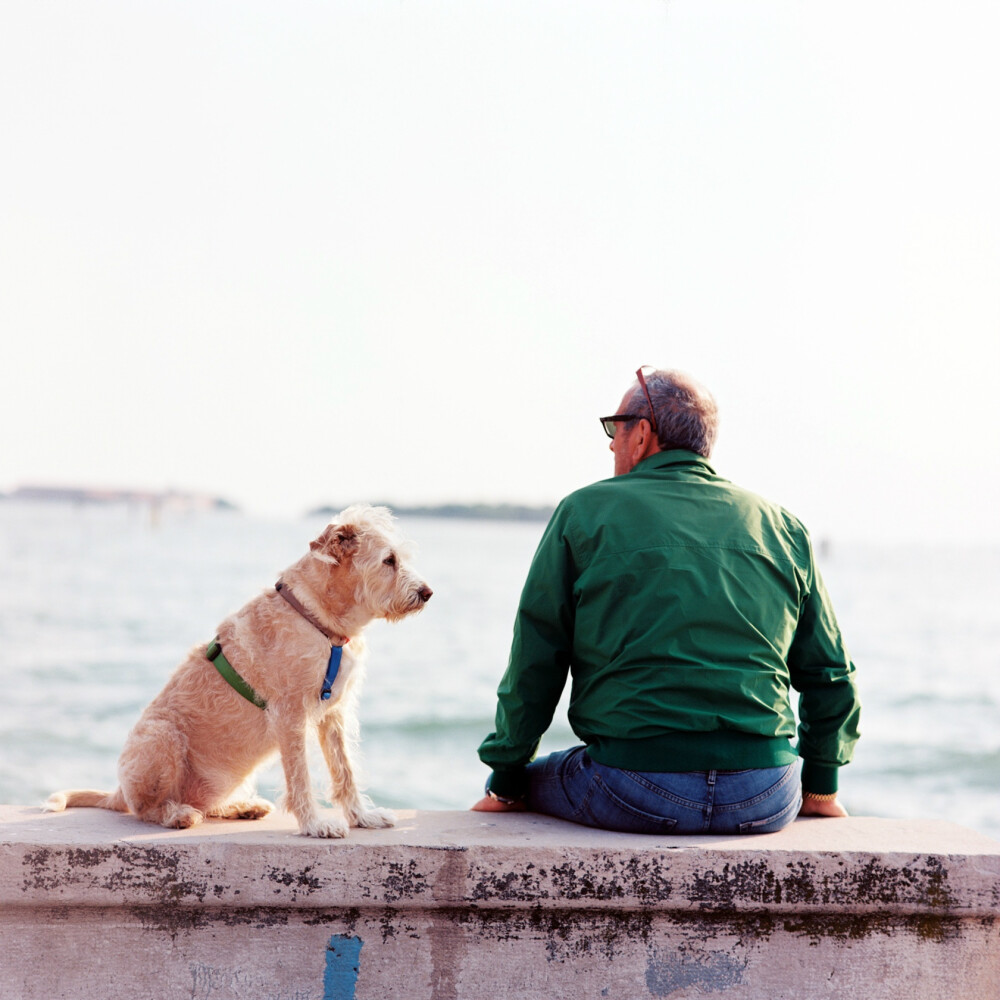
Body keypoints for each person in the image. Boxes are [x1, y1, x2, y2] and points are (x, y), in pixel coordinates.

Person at [473, 367, 860, 834]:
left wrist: (506, 778)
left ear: (642, 434)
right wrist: (821, 784)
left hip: (632, 785)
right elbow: (830, 672)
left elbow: (537, 659)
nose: (611, 443)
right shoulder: (782, 525)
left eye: (615, 428)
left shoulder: (583, 512)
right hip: (766, 794)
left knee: (530, 783)